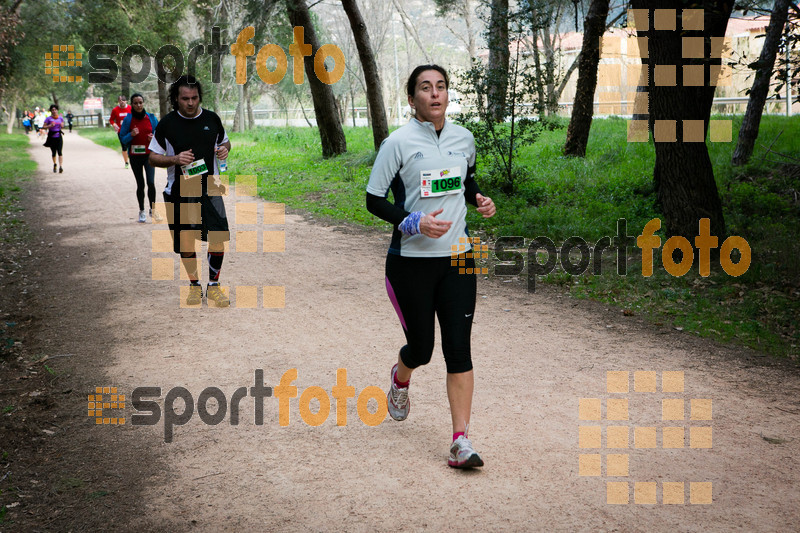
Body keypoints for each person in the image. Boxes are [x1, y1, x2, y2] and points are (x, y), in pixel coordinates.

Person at [366, 65, 496, 469]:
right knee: (422, 349)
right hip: (411, 262)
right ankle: (401, 376)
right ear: (412, 99)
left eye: (440, 87)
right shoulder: (398, 143)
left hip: (458, 258)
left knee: (459, 350)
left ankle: (461, 441)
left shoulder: (464, 139)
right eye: (426, 88)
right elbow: (374, 199)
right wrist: (413, 221)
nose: (435, 94)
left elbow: (466, 182)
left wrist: (478, 199)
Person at [148, 75, 232, 307]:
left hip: (211, 188)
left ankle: (214, 286)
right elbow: (153, 156)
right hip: (180, 190)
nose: (191, 103)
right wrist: (175, 158)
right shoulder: (167, 124)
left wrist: (224, 149)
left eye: (194, 98)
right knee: (187, 242)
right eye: (185, 98)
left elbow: (225, 142)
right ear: (176, 98)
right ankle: (194, 285)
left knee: (217, 237)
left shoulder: (212, 119)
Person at [119, 93, 159, 223]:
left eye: (140, 102)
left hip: (149, 156)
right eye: (135, 103)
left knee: (151, 183)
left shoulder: (151, 118)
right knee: (140, 184)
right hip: (135, 156)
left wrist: (154, 139)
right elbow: (123, 140)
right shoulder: (128, 120)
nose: (138, 105)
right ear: (132, 104)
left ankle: (153, 210)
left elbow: (160, 137)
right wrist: (131, 134)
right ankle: (141, 211)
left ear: (143, 103)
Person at [40, 104, 65, 173]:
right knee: (54, 152)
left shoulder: (60, 118)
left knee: (60, 152)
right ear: (51, 111)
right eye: (52, 110)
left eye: (55, 110)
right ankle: (55, 164)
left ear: (57, 110)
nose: (54, 111)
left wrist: (62, 126)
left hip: (59, 136)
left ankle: (61, 166)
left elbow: (62, 125)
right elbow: (43, 127)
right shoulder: (48, 118)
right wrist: (50, 125)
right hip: (51, 137)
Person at [110, 95, 132, 168]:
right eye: (120, 100)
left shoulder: (130, 108)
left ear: (126, 101)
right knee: (124, 146)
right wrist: (114, 124)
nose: (122, 101)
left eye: (123, 100)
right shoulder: (115, 110)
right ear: (118, 101)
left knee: (131, 145)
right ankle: (126, 162)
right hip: (121, 131)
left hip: (130, 130)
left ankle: (132, 160)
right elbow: (111, 119)